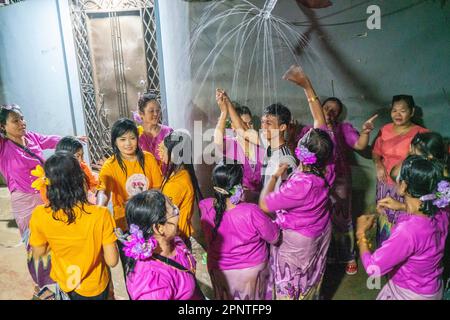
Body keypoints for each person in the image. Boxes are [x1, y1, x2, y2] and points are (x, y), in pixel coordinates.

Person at [259, 65, 335, 300]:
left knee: (290, 281)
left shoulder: (299, 184)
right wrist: (306, 85)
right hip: (321, 231)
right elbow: (320, 122)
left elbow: (265, 204)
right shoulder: (327, 163)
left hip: (299, 242)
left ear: (302, 153)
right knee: (311, 275)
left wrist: (273, 178)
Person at [296, 97, 378, 275]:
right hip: (315, 183)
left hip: (339, 181)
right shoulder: (308, 131)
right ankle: (328, 256)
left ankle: (348, 256)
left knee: (343, 218)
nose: (329, 112)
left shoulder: (343, 128)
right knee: (320, 218)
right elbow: (300, 155)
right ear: (319, 107)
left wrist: (365, 132)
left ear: (338, 115)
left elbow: (360, 144)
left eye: (334, 110)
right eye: (326, 107)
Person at [357, 155, 449, 300]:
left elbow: (373, 268)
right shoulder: (441, 208)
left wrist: (361, 233)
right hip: (432, 288)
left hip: (409, 293)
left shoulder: (407, 230)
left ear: (404, 185)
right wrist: (402, 206)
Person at [29, 151, 119, 300]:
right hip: (95, 287)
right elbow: (112, 260)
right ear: (80, 179)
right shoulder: (100, 214)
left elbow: (39, 253)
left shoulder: (39, 214)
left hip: (64, 283)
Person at [0, 104, 63, 299]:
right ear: (3, 127)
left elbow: (50, 140)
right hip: (24, 202)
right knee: (35, 245)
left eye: (22, 118)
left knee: (54, 240)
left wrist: (71, 141)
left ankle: (58, 279)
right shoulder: (3, 147)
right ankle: (42, 286)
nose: (21, 123)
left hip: (46, 196)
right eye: (15, 120)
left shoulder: (32, 138)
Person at [199, 163, 279, 300]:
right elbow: (275, 238)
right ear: (238, 187)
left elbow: (210, 238)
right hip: (251, 272)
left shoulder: (205, 206)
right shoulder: (251, 211)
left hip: (218, 271)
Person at [123, 190, 204, 300]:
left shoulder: (175, 241)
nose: (178, 212)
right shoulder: (153, 284)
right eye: (174, 211)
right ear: (159, 228)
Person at [372, 94, 429, 245]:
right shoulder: (385, 129)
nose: (397, 114)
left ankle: (401, 255)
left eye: (402, 110)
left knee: (404, 220)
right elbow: (376, 152)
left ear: (412, 112)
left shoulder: (422, 134)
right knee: (384, 218)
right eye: (394, 110)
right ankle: (383, 252)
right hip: (384, 183)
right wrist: (378, 164)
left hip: (406, 187)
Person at [223, 91, 297, 191]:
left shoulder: (286, 160)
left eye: (269, 123)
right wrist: (228, 102)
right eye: (262, 122)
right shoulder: (267, 143)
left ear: (282, 127)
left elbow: (286, 196)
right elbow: (242, 130)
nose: (263, 127)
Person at [214, 92, 265, 203]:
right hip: (238, 204)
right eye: (243, 123)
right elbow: (217, 142)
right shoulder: (231, 145)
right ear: (233, 126)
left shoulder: (259, 144)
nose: (248, 127)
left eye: (250, 123)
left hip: (260, 202)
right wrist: (223, 113)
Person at [159, 130, 203, 244]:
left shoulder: (177, 183)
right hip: (180, 235)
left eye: (163, 149)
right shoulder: (182, 173)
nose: (160, 152)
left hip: (175, 240)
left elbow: (162, 213)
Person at [135, 92, 173, 174]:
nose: (156, 114)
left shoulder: (168, 132)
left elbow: (176, 159)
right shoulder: (135, 134)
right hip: (145, 181)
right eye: (151, 111)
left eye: (158, 110)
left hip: (167, 179)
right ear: (141, 114)